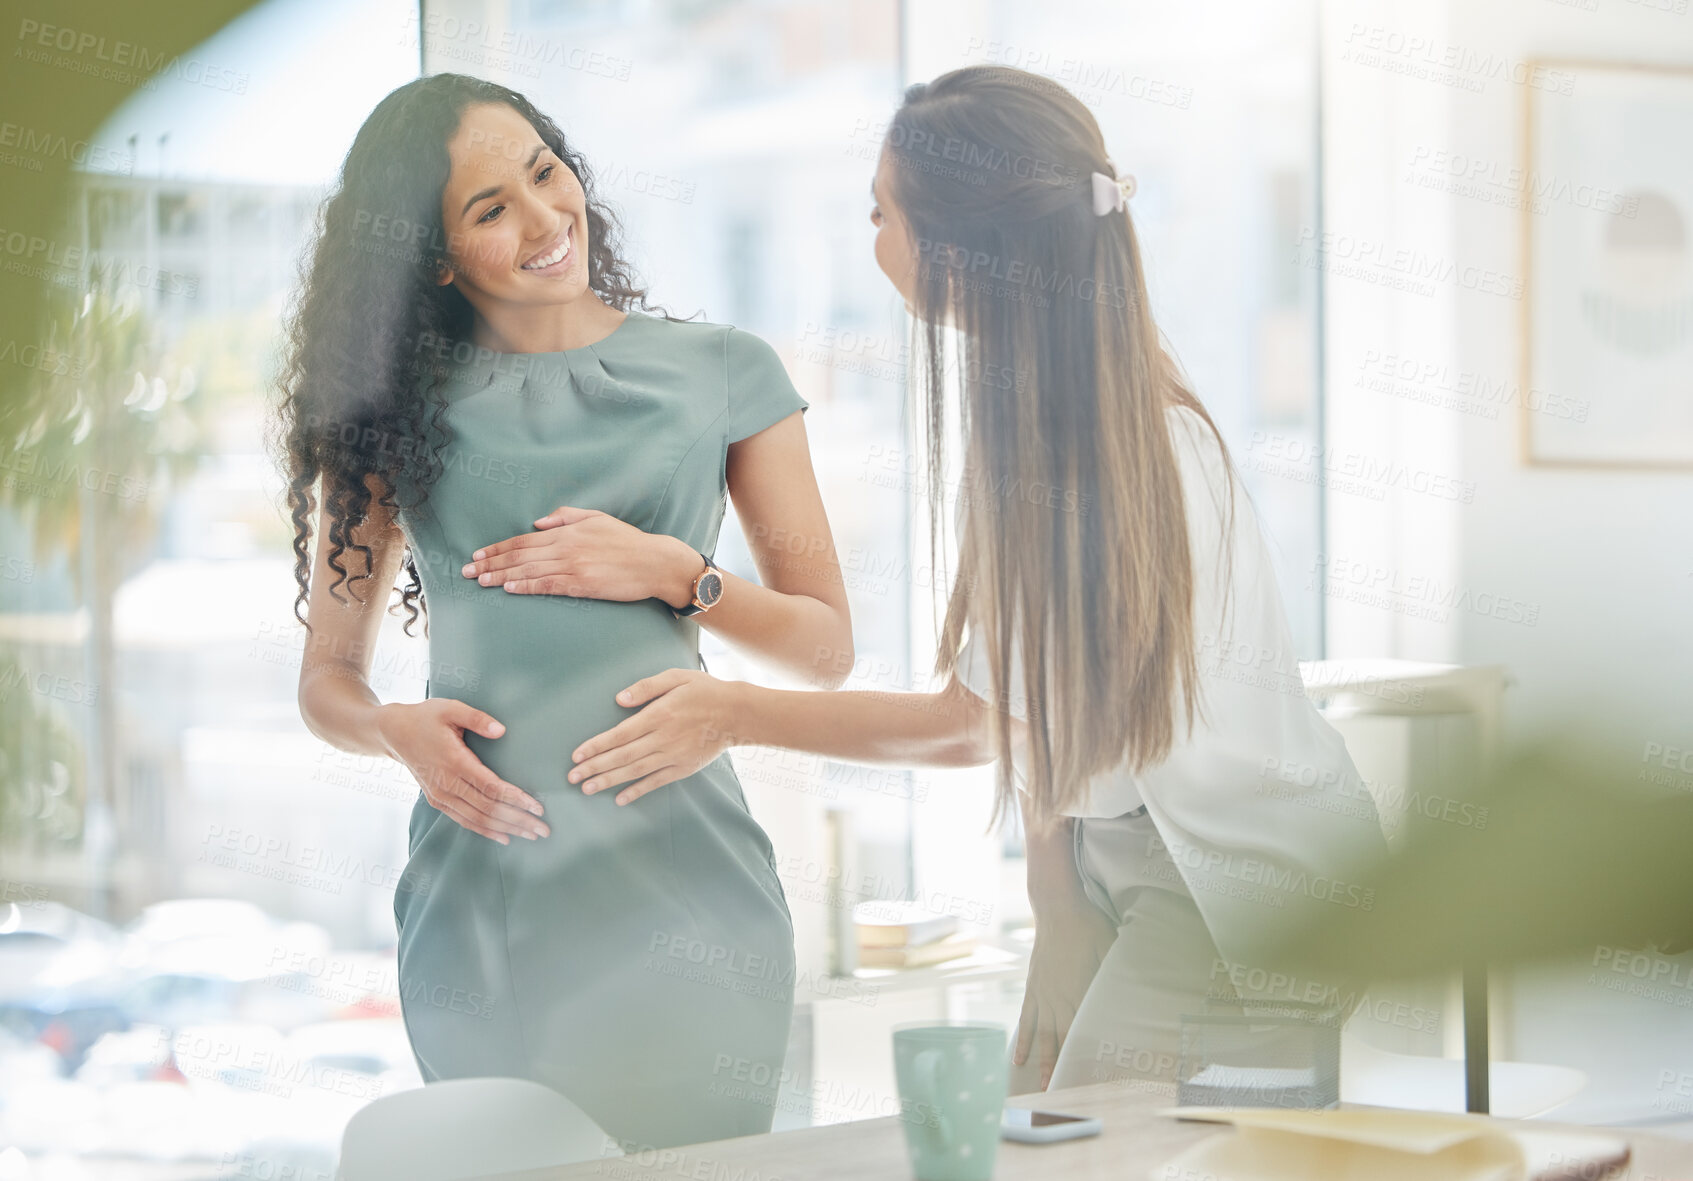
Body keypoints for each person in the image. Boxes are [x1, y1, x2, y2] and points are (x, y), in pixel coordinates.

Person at [559, 65, 1391, 1098]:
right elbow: (1050, 709)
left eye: (880, 211)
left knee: (1071, 1141)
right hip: (1138, 861)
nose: (870, 241)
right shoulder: (1065, 414)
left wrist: (731, 709)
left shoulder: (1108, 456)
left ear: (957, 250)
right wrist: (1057, 902)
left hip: (1236, 884)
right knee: (1047, 1119)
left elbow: (979, 724)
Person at [272, 73, 852, 1151]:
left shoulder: (724, 373)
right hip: (481, 904)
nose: (545, 219)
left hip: (688, 905)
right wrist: (393, 730)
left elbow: (825, 645)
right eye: (491, 208)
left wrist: (681, 572)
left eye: (545, 172)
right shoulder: (389, 415)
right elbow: (326, 682)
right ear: (435, 257)